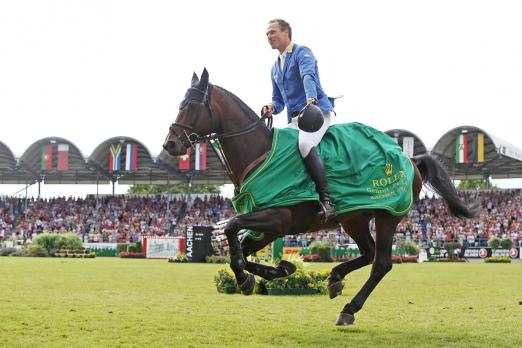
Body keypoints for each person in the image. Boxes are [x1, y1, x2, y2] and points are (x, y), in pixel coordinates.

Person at [263, 18, 335, 220]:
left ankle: (327, 200)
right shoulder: (274, 68)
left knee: (304, 144)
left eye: (273, 32)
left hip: (316, 112)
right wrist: (270, 108)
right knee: (278, 145)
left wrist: (311, 99)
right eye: (267, 34)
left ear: (286, 33)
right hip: (294, 119)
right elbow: (278, 101)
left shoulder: (302, 52)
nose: (269, 36)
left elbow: (308, 76)